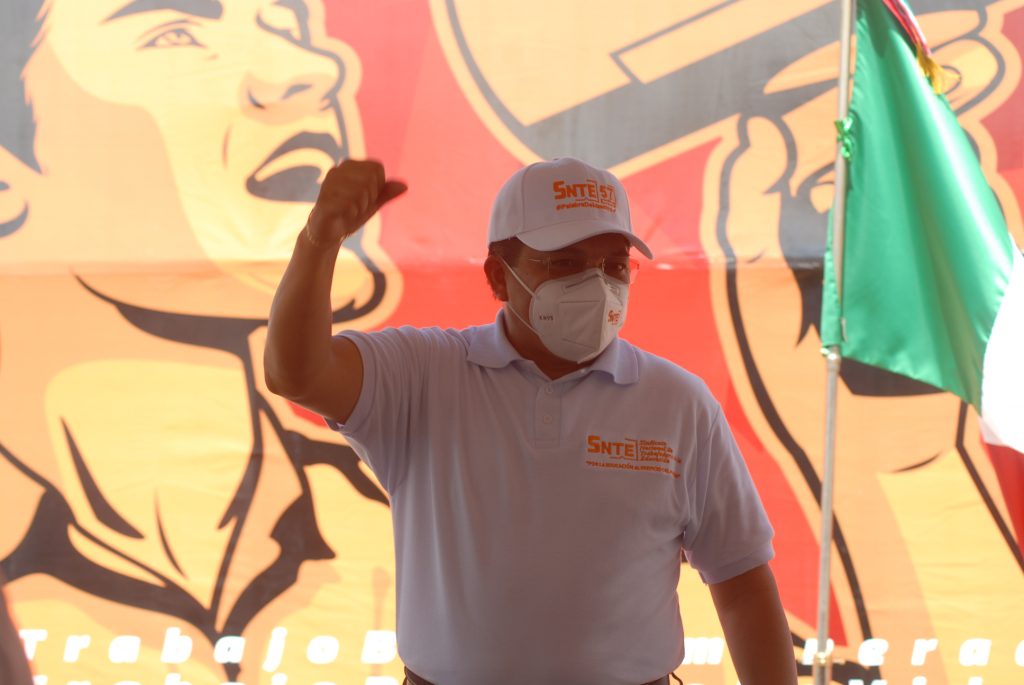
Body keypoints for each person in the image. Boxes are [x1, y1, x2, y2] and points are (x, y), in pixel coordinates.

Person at [265, 156, 798, 684]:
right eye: (565, 263)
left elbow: (741, 580)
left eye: (615, 265)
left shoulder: (679, 403)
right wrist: (319, 242)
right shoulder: (424, 375)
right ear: (499, 275)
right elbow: (296, 374)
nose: (597, 285)